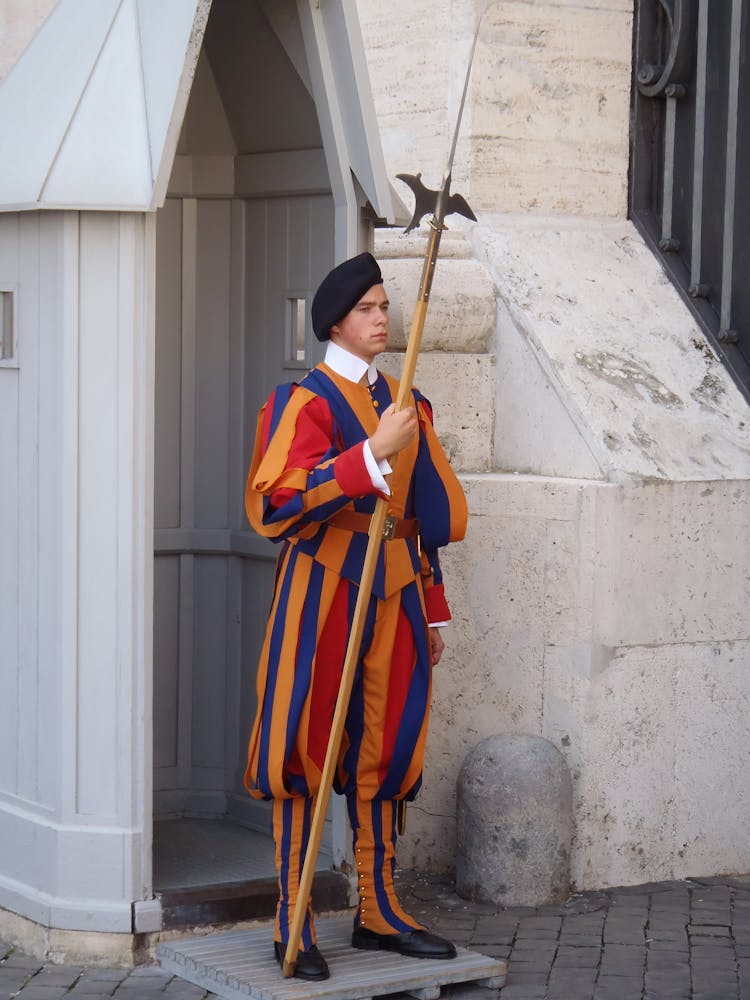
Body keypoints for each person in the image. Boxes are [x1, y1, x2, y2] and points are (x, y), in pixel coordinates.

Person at [244, 252, 468, 981]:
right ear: (336, 319)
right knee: (302, 744)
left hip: (397, 589)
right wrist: (367, 455)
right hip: (324, 590)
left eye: (384, 306)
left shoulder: (408, 401)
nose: (383, 318)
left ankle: (379, 910)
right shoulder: (302, 403)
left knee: (388, 749)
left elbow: (419, 519)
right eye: (369, 308)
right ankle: (293, 918)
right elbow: (276, 504)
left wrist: (431, 610)